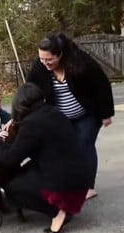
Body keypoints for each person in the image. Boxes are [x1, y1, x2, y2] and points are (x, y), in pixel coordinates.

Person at [0, 82, 91, 233]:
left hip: (63, 182)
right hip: (80, 177)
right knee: (26, 170)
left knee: (12, 190)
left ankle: (57, 210)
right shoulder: (55, 112)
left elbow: (11, 158)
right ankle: (63, 205)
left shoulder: (31, 124)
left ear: (20, 104)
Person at [27, 33, 114, 200]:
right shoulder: (40, 67)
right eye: (42, 59)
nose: (45, 63)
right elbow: (30, 91)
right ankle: (67, 184)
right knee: (63, 150)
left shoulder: (80, 62)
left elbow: (101, 84)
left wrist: (105, 114)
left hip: (86, 114)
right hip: (61, 118)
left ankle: (88, 187)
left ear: (60, 54)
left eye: (49, 59)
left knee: (83, 145)